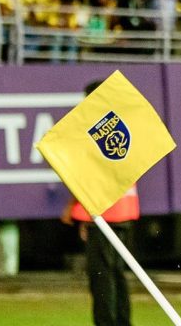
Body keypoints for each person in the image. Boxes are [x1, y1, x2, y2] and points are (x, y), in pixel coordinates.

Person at [60, 80, 140, 326]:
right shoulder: (120, 125)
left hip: (104, 210)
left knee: (101, 275)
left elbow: (88, 177)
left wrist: (74, 208)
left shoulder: (95, 129)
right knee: (116, 272)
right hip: (125, 208)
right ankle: (122, 322)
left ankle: (106, 323)